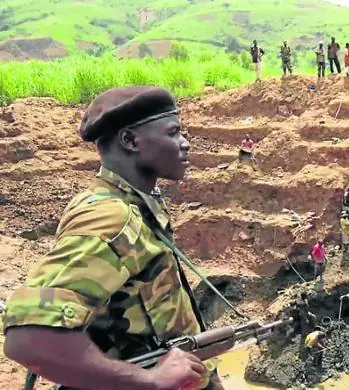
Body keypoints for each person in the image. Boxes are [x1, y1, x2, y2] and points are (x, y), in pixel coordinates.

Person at [2, 86, 224, 390]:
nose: (185, 143)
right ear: (130, 141)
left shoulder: (134, 201)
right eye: (173, 133)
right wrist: (149, 380)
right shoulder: (111, 216)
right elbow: (28, 339)